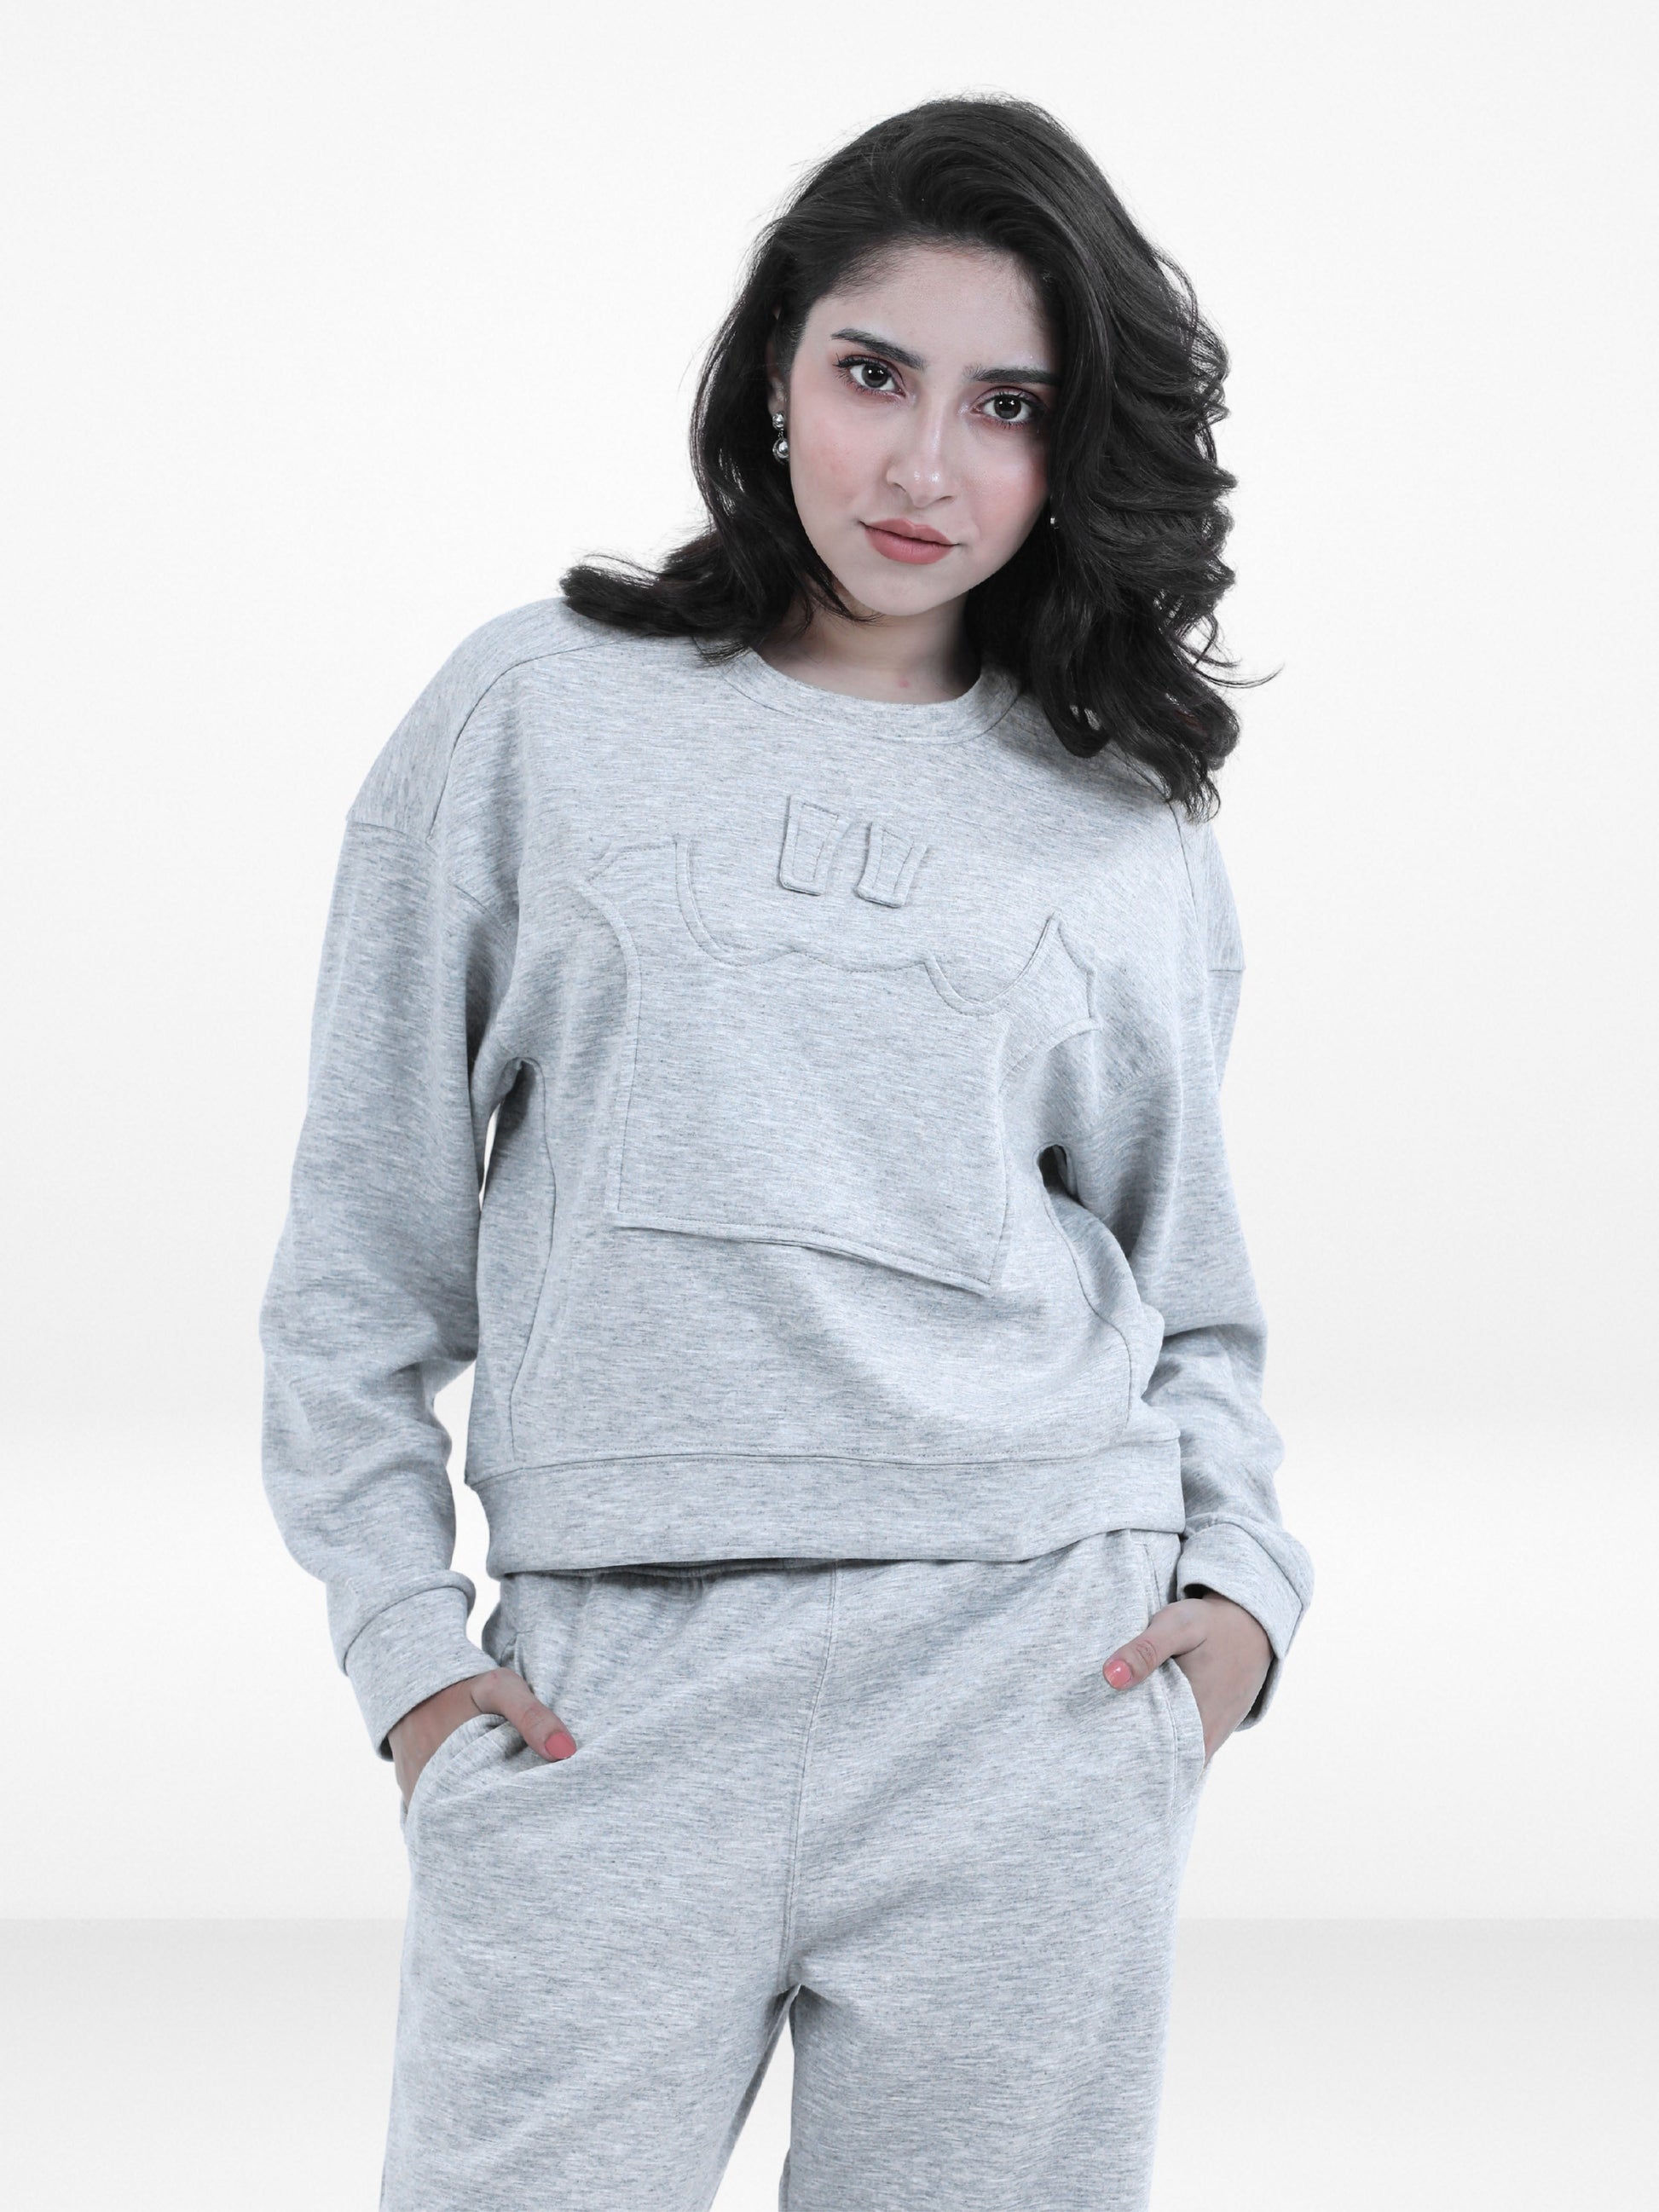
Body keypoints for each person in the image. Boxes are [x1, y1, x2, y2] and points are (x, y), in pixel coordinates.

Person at [258, 90, 1314, 2212]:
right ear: (771, 374)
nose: (923, 465)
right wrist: (412, 1667)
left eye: (1008, 405)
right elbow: (360, 1257)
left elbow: (1185, 1282)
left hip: (1028, 1680)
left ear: (1075, 445)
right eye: (872, 374)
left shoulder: (1120, 814)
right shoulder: (533, 712)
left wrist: (1238, 1604)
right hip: (605, 1692)